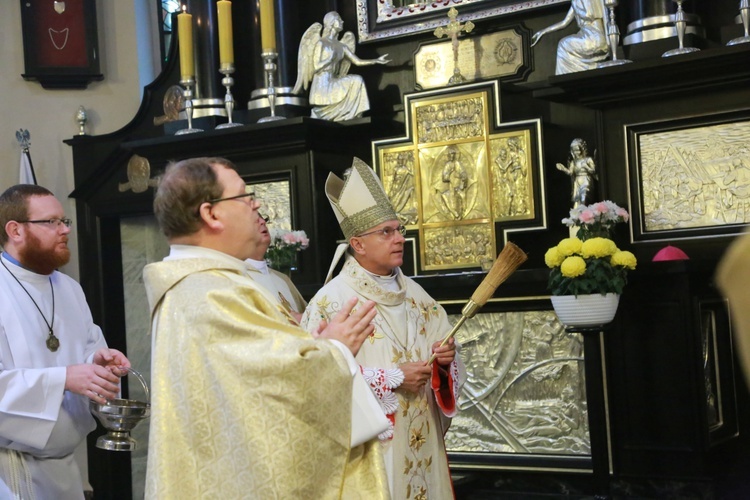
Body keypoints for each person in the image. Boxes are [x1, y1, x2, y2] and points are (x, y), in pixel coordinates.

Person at [143, 157, 390, 499]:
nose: (256, 204)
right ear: (210, 214)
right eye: (244, 197)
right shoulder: (209, 292)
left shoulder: (206, 284)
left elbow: (253, 383)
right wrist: (333, 351)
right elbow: (278, 390)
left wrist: (312, 346)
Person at [300, 158, 464, 500]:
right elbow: (313, 384)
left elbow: (447, 363)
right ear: (357, 244)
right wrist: (391, 377)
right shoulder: (331, 303)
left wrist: (445, 362)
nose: (399, 238)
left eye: (399, 229)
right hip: (374, 450)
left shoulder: (420, 298)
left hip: (422, 441)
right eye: (386, 232)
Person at [0, 184, 130, 500]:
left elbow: (87, 349)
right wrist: (64, 379)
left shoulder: (70, 288)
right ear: (15, 230)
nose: (64, 230)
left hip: (66, 468)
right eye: (52, 222)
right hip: (10, 471)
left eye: (64, 221)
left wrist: (99, 365)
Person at [293, 11, 390, 121]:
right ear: (332, 23)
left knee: (357, 80)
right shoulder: (321, 43)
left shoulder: (342, 46)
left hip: (333, 81)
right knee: (355, 80)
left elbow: (357, 61)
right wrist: (328, 60)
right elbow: (316, 67)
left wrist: (376, 60)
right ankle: (331, 113)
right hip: (322, 84)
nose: (342, 21)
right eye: (339, 20)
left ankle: (352, 114)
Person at [244, 213, 307, 322]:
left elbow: (308, 315)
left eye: (262, 218)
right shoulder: (238, 278)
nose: (263, 222)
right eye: (255, 219)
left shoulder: (282, 278)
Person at [530, 0, 608, 74]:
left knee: (563, 45)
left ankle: (590, 68)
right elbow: (564, 23)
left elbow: (589, 15)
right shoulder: (575, 2)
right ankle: (585, 70)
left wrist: (578, 6)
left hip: (595, 37)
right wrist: (543, 31)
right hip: (586, 34)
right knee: (563, 45)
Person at [556, 138, 598, 207]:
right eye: (574, 151)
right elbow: (570, 172)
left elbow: (593, 171)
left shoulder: (588, 159)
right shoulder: (573, 162)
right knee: (577, 202)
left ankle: (585, 215)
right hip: (577, 182)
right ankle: (576, 216)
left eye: (578, 150)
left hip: (586, 180)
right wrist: (563, 168)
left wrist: (586, 167)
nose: (577, 152)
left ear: (582, 149)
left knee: (584, 198)